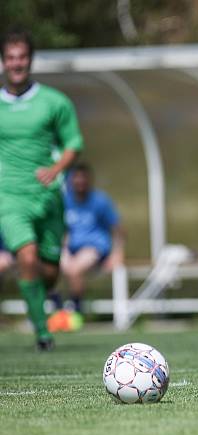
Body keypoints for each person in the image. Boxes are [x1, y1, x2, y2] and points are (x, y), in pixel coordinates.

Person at [0, 28, 83, 350]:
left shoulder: (54, 102)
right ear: (4, 62)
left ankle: (43, 298)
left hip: (48, 198)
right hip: (9, 196)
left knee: (49, 271)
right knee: (27, 255)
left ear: (30, 60)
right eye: (10, 58)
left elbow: (74, 143)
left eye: (22, 57)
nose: (16, 63)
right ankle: (42, 333)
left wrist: (57, 168)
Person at [57, 163, 125, 315]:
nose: (79, 181)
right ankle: (56, 310)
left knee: (74, 269)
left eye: (83, 178)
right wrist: (63, 248)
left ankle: (76, 311)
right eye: (76, 177)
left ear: (89, 180)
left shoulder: (100, 201)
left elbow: (118, 229)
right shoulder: (64, 201)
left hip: (95, 248)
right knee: (49, 266)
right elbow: (63, 229)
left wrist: (117, 254)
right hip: (71, 249)